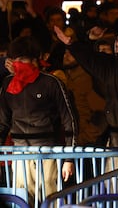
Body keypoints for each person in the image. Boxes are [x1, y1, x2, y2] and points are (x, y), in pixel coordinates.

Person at [0, 36, 77, 206]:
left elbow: (70, 120)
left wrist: (69, 159)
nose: (19, 63)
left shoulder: (51, 82)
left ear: (36, 59)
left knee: (51, 201)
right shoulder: (8, 84)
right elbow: (3, 122)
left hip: (48, 151)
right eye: (16, 59)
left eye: (24, 59)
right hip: (20, 152)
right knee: (21, 201)